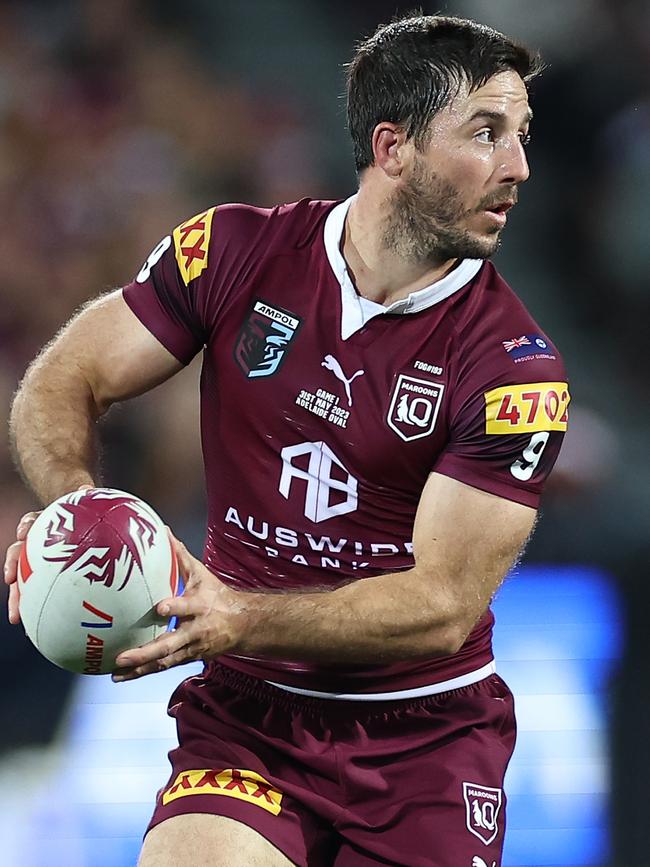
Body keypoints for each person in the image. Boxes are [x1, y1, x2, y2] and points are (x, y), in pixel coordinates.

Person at [4, 14, 569, 867]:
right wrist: (80, 521)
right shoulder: (234, 251)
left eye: (521, 135)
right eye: (486, 133)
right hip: (248, 716)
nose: (517, 166)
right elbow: (60, 379)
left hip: (424, 741)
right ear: (393, 148)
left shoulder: (514, 368)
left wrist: (238, 614)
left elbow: (442, 606)